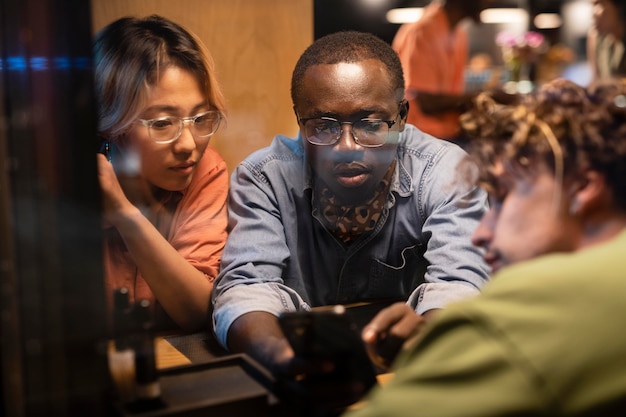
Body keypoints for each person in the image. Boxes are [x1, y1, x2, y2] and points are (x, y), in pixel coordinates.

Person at [211, 30, 489, 407]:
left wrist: (427, 336)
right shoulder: (263, 177)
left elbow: (462, 281)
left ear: (402, 118)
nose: (345, 147)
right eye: (322, 126)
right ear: (299, 120)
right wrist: (283, 357)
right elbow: (245, 288)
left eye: (370, 124)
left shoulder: (446, 172)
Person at [344, 77, 626, 417]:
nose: (480, 234)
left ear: (582, 187)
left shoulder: (540, 305)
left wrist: (460, 348)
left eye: (504, 197)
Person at [94, 15, 228, 332]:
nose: (187, 145)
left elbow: (197, 310)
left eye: (200, 118)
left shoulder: (205, 170)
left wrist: (124, 213)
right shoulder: (65, 176)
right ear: (113, 127)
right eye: (162, 123)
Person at [391, 0, 492, 144]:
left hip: (445, 137)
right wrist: (482, 97)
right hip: (418, 142)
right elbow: (425, 102)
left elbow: (452, 97)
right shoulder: (423, 31)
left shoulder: (459, 34)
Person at [587, 0, 626, 81]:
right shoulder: (597, 39)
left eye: (599, 4)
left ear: (619, 8)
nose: (594, 13)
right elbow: (596, 83)